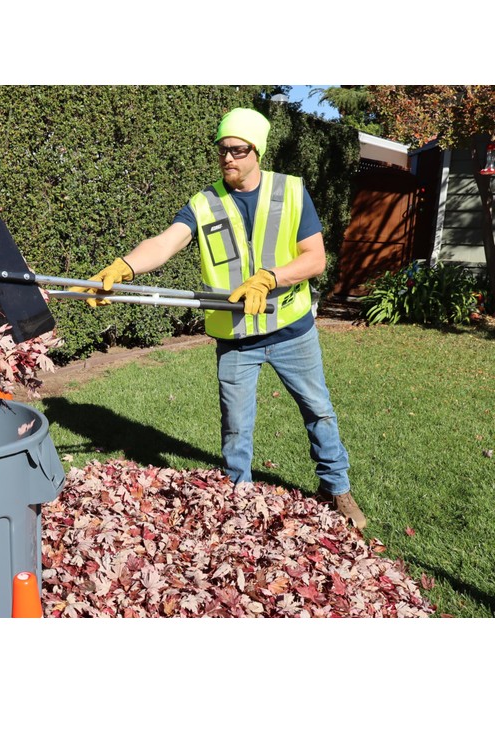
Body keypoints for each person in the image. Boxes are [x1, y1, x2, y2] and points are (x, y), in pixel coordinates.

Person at [77, 106, 366, 529]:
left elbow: (315, 258)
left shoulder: (290, 191)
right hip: (235, 335)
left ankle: (336, 488)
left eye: (237, 149)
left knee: (318, 410)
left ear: (257, 151)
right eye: (222, 150)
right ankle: (238, 498)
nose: (227, 157)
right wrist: (125, 267)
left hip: (291, 329)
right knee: (235, 426)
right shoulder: (205, 203)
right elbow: (165, 243)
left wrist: (270, 277)